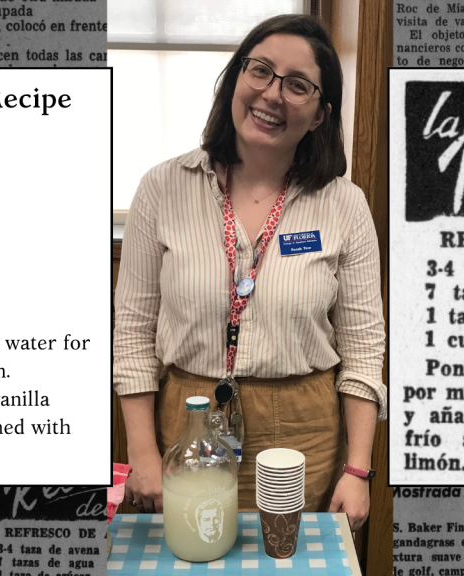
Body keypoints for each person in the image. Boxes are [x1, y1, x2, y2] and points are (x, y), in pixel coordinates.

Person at [113, 14, 386, 532]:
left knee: (290, 564)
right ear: (235, 78)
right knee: (193, 561)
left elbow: (364, 346)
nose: (272, 94)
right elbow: (131, 333)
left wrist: (357, 469)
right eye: (260, 70)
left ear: (321, 115)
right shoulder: (162, 188)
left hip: (305, 432)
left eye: (298, 85)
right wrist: (143, 453)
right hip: (185, 423)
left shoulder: (345, 206)